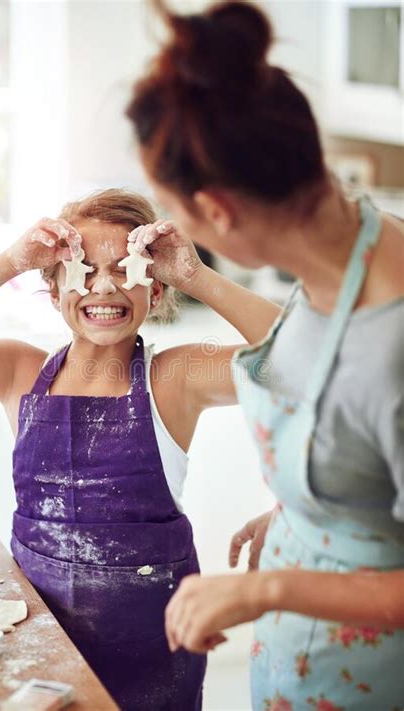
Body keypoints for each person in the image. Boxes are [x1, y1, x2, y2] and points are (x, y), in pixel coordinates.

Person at [125, 1, 404, 708]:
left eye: (175, 207)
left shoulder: (396, 345)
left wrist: (267, 585)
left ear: (216, 211)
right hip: (295, 660)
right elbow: (311, 357)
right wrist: (310, 518)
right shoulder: (350, 243)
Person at [0, 188, 279, 709]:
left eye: (125, 268)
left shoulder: (176, 377)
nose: (104, 285)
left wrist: (196, 275)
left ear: (155, 293)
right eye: (82, 269)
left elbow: (299, 355)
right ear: (53, 291)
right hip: (44, 639)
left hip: (153, 649)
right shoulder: (17, 373)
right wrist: (11, 262)